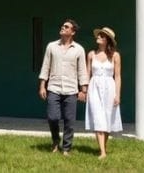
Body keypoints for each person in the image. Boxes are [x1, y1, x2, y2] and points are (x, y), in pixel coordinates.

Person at [38, 19, 89, 156]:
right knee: (53, 117)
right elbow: (46, 66)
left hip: (71, 89)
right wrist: (42, 85)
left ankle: (66, 148)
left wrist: (83, 90)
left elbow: (82, 71)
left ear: (72, 32)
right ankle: (55, 141)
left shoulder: (79, 49)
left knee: (69, 121)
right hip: (53, 87)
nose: (62, 27)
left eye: (66, 27)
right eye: (62, 26)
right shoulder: (51, 46)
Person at [85, 26, 122, 159]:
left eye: (102, 36)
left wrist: (117, 95)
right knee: (97, 117)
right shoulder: (91, 54)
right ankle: (103, 152)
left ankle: (103, 147)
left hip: (109, 88)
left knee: (107, 118)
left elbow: (117, 76)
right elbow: (87, 74)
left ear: (108, 40)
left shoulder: (115, 56)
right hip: (94, 88)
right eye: (98, 35)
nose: (99, 37)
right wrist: (84, 90)